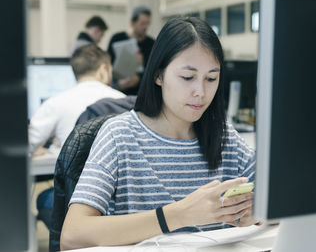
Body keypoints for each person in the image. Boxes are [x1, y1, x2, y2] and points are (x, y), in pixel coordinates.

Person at [61, 17, 256, 250]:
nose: (201, 92)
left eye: (211, 78)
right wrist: (178, 215)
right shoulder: (120, 136)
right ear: (158, 75)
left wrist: (259, 212)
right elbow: (73, 235)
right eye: (187, 77)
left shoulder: (226, 139)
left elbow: (284, 202)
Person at [29, 44, 125, 155]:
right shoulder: (123, 100)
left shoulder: (55, 103)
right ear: (103, 69)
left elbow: (26, 144)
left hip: (74, 171)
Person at [107, 6, 155, 95]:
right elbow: (108, 63)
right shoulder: (117, 38)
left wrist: (139, 78)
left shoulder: (152, 43)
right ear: (132, 22)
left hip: (141, 93)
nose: (146, 27)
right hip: (118, 90)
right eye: (142, 23)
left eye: (148, 23)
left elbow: (153, 70)